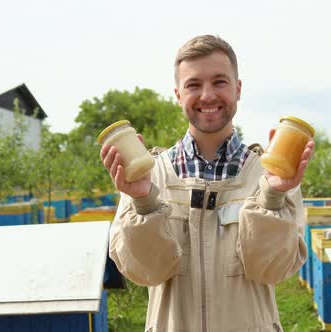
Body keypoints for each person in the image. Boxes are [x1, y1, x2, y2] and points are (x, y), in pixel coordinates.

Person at [101, 35, 314, 332]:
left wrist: (271, 197)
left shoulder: (274, 176)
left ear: (238, 89)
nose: (207, 95)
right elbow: (144, 272)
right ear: (177, 95)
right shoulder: (148, 177)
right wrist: (144, 201)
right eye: (193, 85)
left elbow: (273, 270)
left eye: (219, 82)